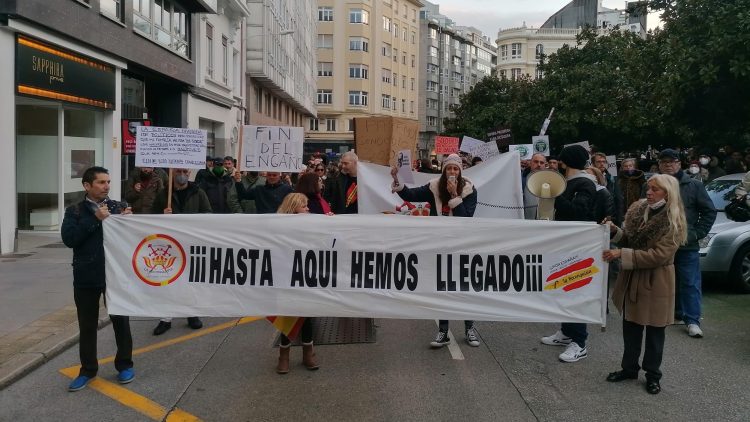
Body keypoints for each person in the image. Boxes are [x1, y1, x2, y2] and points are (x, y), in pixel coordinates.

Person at [603, 174, 688, 395]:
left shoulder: (674, 220)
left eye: (655, 189)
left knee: (654, 332)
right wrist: (615, 231)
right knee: (630, 326)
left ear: (667, 193)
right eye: (648, 188)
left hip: (657, 280)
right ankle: (629, 369)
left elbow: (658, 256)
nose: (648, 192)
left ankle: (653, 375)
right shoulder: (639, 210)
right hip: (634, 278)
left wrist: (622, 253)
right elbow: (630, 240)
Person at [390, 153, 480, 348]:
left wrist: (455, 196)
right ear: (443, 170)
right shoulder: (433, 186)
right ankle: (443, 331)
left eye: (456, 169)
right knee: (442, 288)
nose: (452, 172)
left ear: (460, 171)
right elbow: (411, 195)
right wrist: (397, 180)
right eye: (449, 168)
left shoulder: (468, 189)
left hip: (462, 244)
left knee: (465, 287)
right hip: (440, 244)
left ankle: (469, 328)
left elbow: (466, 218)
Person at [61, 167, 134, 392]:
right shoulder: (75, 211)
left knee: (121, 322)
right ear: (87, 186)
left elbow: (134, 238)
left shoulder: (118, 207)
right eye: (101, 182)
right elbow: (70, 239)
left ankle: (124, 365)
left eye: (108, 182)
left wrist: (130, 222)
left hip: (115, 276)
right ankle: (88, 370)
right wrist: (95, 219)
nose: (107, 186)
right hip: (86, 277)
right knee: (88, 325)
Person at [540, 144, 597, 363]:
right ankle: (566, 332)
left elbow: (578, 213)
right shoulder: (569, 183)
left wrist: (555, 196)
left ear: (564, 162)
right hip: (564, 245)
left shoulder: (584, 184)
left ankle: (580, 342)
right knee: (563, 289)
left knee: (574, 290)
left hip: (578, 247)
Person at [655, 149, 716, 337]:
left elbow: (709, 212)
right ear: (659, 165)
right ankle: (666, 315)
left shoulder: (694, 186)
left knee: (690, 282)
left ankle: (692, 320)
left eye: (672, 161)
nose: (668, 165)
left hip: (686, 243)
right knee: (660, 281)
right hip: (660, 244)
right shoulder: (652, 185)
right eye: (664, 162)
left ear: (679, 164)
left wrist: (695, 233)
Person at [150, 168, 211, 335]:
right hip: (170, 245)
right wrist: (162, 215)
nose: (182, 174)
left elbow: (208, 214)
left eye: (184, 171)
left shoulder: (198, 193)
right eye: (178, 171)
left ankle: (191, 313)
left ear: (189, 173)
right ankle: (166, 318)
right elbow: (151, 217)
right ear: (172, 173)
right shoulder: (164, 194)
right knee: (169, 280)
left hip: (192, 244)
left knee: (191, 280)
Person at [274, 193, 319, 374]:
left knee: (307, 315)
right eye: (304, 206)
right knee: (288, 316)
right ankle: (283, 355)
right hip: (286, 277)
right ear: (293, 209)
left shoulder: (312, 225)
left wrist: (330, 223)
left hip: (306, 276)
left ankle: (308, 353)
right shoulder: (278, 227)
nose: (308, 209)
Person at [593, 152, 623, 224]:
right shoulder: (589, 178)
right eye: (599, 162)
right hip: (594, 219)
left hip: (610, 219)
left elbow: (618, 200)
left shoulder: (612, 179)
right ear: (593, 164)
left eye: (604, 161)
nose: (602, 164)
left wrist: (618, 221)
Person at [522, 153, 547, 220]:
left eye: (541, 163)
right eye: (536, 161)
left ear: (545, 165)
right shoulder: (521, 180)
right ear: (530, 163)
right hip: (525, 222)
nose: (539, 164)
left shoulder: (550, 180)